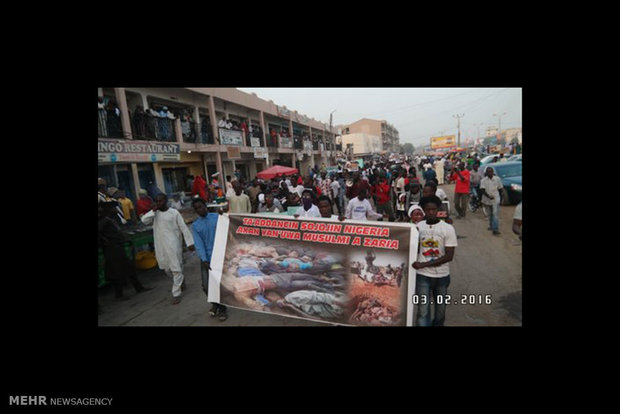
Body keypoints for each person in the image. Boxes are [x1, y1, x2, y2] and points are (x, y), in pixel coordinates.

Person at [141, 193, 195, 304]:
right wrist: (153, 211)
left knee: (175, 268)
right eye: (156, 201)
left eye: (160, 201)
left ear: (166, 201)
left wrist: (190, 242)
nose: (158, 203)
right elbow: (144, 221)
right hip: (160, 245)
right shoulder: (154, 214)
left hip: (173, 244)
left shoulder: (174, 213)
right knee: (166, 269)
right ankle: (180, 280)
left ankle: (176, 293)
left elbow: (183, 228)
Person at [412, 196, 458, 327]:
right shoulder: (417, 227)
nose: (431, 212)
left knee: (440, 312)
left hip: (442, 276)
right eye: (428, 209)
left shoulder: (448, 228)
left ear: (438, 209)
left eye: (433, 209)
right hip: (423, 276)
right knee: (423, 311)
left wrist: (423, 264)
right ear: (424, 210)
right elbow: (412, 248)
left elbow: (449, 256)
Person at [98, 201, 152, 300]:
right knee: (116, 272)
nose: (115, 210)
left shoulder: (112, 219)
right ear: (108, 210)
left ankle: (138, 288)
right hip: (112, 249)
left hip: (118, 247)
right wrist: (104, 240)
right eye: (113, 208)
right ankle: (119, 295)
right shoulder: (104, 221)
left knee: (129, 268)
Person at [191, 198, 228, 321]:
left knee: (219, 284)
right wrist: (204, 259)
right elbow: (198, 243)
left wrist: (225, 215)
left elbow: (228, 228)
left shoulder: (217, 217)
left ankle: (222, 308)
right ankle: (216, 304)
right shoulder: (195, 226)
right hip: (206, 259)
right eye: (196, 208)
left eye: (201, 206)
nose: (199, 210)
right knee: (206, 286)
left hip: (221, 256)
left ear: (205, 206)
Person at [479, 166, 503, 235]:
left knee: (495, 214)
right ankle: (491, 225)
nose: (490, 173)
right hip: (487, 200)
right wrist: (488, 196)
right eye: (488, 172)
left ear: (493, 172)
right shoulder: (483, 180)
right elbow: (482, 190)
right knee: (489, 214)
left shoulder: (497, 179)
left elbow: (500, 189)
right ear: (486, 173)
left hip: (496, 199)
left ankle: (495, 229)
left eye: (491, 171)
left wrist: (501, 199)